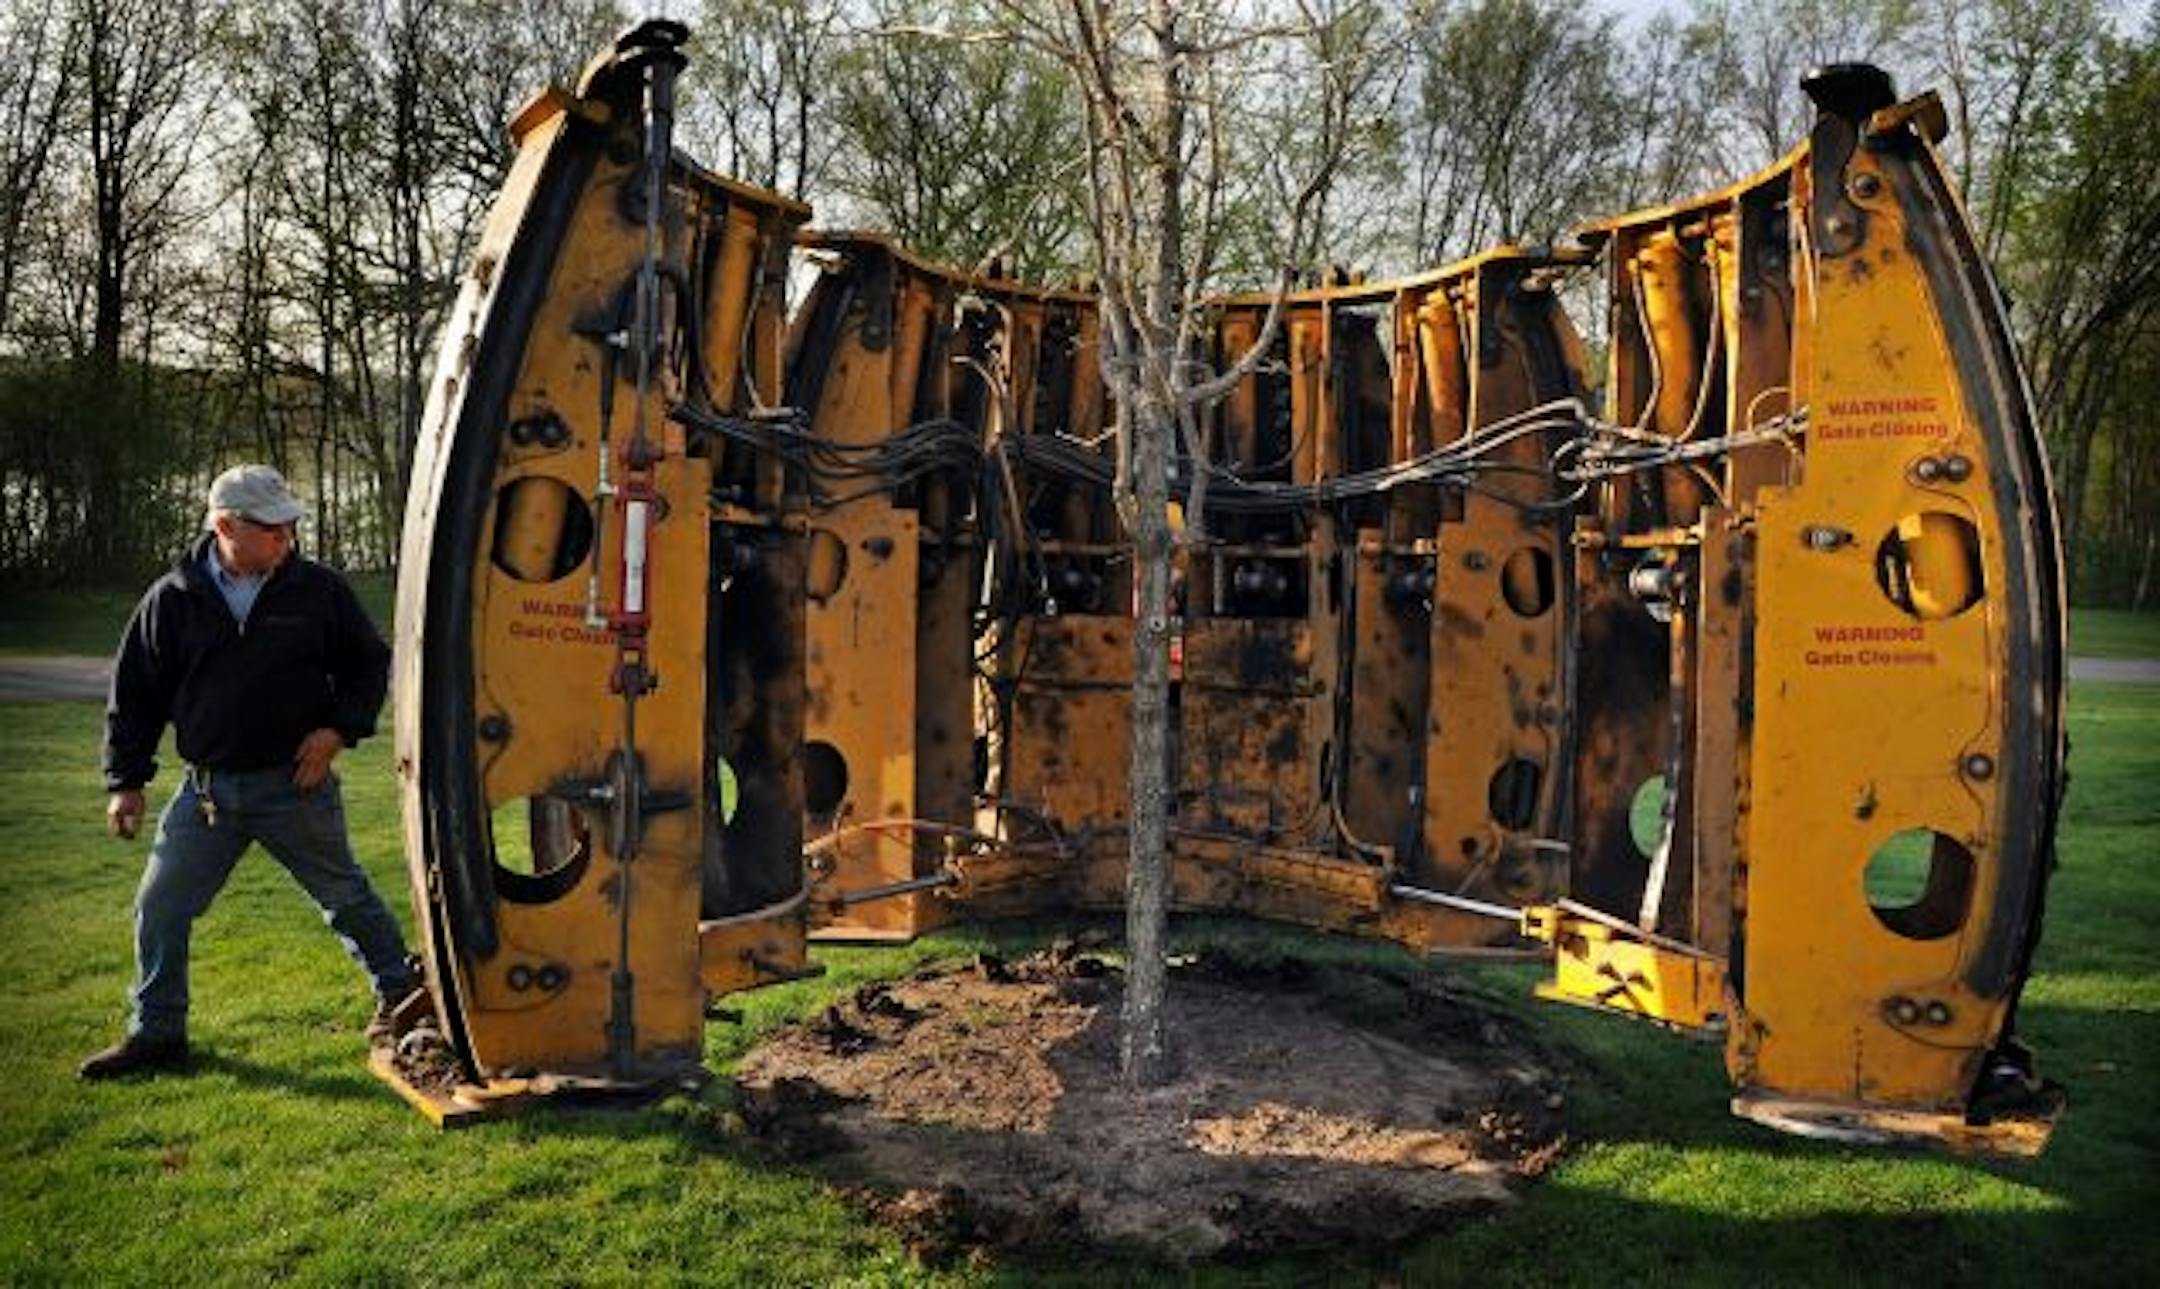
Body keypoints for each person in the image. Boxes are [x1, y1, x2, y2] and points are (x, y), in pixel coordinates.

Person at [82, 464, 420, 1080]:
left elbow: (369, 665)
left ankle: (409, 1004)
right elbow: (134, 695)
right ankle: (156, 1035)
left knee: (346, 899)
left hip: (296, 786)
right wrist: (124, 783)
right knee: (160, 906)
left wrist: (337, 730)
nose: (286, 540)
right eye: (273, 529)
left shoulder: (318, 591)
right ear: (225, 526)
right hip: (206, 794)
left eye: (290, 527)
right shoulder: (173, 598)